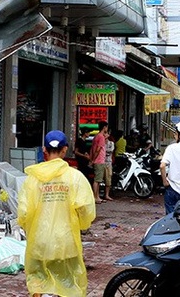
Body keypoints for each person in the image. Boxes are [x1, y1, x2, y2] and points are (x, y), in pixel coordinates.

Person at [17, 130, 97, 297]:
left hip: (39, 242)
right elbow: (85, 210)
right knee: (68, 286)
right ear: (64, 150)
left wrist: (30, 230)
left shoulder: (33, 179)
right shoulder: (75, 177)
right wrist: (81, 225)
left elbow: (23, 213)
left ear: (44, 150)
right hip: (65, 242)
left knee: (39, 284)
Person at [90, 121, 113, 203]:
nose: (107, 129)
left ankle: (97, 196)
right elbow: (98, 149)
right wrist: (93, 159)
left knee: (98, 180)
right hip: (99, 160)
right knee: (97, 180)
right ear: (104, 127)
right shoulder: (101, 137)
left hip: (98, 160)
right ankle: (95, 197)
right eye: (106, 127)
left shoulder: (97, 136)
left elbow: (92, 149)